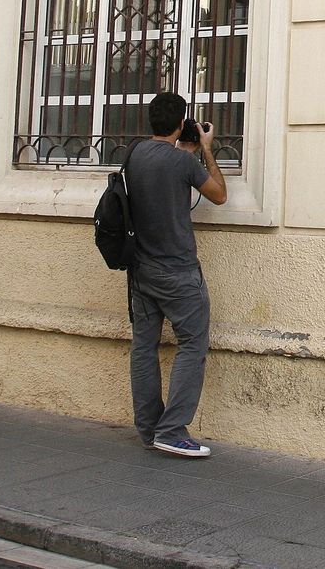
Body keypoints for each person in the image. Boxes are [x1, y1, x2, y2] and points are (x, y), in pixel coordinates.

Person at [124, 91, 227, 457]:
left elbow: (163, 179)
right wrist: (207, 148)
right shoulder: (182, 163)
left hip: (141, 269)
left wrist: (188, 150)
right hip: (178, 272)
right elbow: (218, 195)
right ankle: (172, 430)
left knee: (144, 347)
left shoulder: (135, 154)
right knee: (193, 345)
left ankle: (149, 428)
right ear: (182, 123)